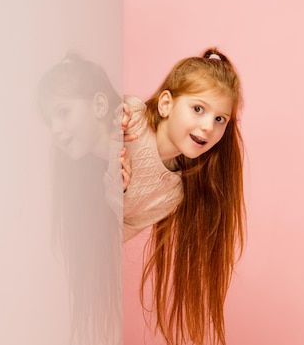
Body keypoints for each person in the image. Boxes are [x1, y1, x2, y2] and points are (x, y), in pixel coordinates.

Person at [122, 48, 246, 345]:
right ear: (166, 103)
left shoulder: (171, 193)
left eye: (220, 119)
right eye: (198, 109)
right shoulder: (130, 118)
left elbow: (114, 235)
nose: (208, 126)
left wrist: (118, 193)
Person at [37, 53, 129, 345]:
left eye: (63, 112)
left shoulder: (139, 144)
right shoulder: (107, 180)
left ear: (99, 105)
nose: (56, 132)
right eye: (50, 121)